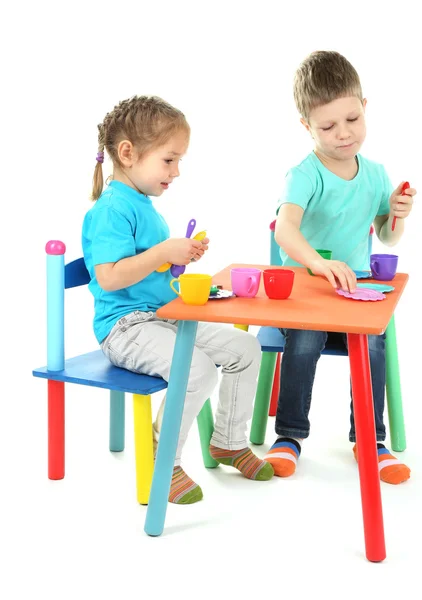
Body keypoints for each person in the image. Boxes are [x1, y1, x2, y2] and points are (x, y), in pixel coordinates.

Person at [82, 95, 274, 504]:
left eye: (179, 161)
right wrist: (160, 253)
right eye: (169, 160)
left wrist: (177, 261)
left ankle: (227, 441)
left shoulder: (143, 205)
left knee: (245, 347)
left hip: (162, 317)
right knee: (196, 369)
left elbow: (148, 272)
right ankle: (161, 463)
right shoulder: (112, 209)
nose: (177, 171)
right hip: (125, 328)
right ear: (128, 153)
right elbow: (109, 277)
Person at [264, 52, 415, 484]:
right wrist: (315, 265)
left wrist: (397, 212)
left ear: (364, 107)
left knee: (371, 344)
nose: (343, 134)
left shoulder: (375, 174)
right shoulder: (304, 175)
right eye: (328, 127)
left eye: (351, 119)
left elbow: (387, 236)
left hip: (354, 294)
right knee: (305, 342)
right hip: (305, 298)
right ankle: (289, 436)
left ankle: (370, 439)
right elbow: (285, 232)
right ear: (306, 127)